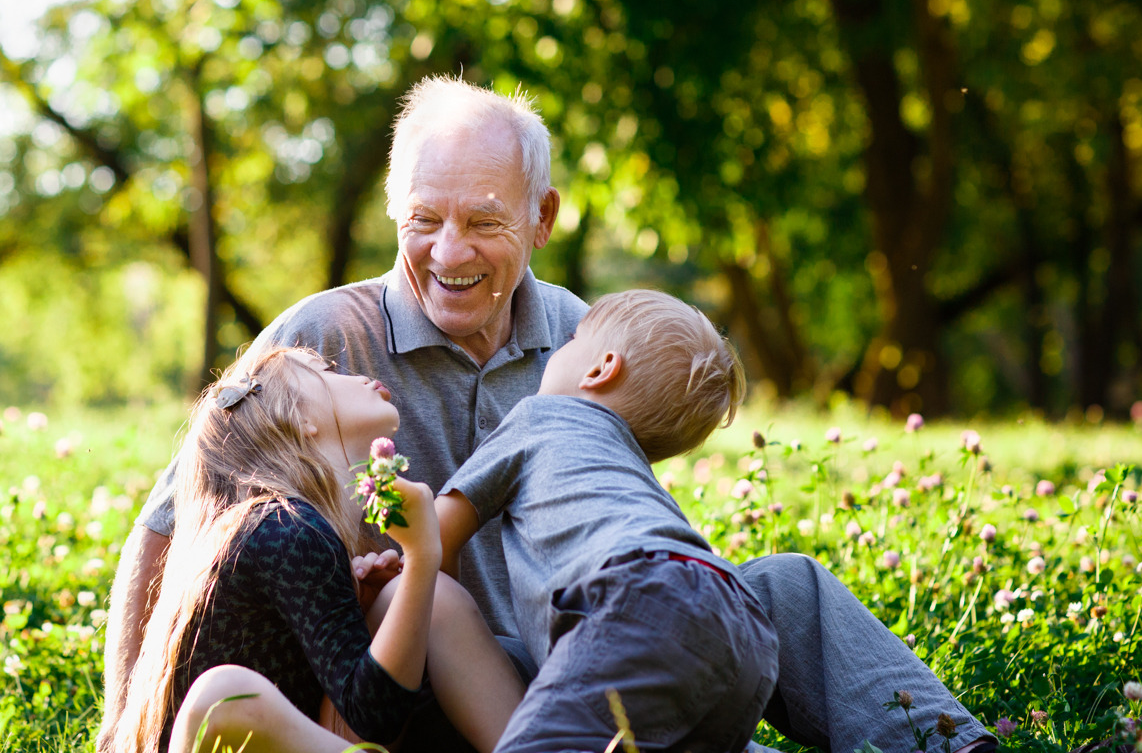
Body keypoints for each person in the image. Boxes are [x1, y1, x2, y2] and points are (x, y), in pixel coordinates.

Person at [100, 75, 997, 753]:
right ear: (391, 212)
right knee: (432, 597)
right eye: (423, 220)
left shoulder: (581, 334)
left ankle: (951, 743)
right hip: (420, 678)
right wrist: (119, 728)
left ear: (542, 217)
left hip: (583, 637)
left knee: (786, 587)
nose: (449, 252)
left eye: (484, 221)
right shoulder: (322, 339)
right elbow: (171, 529)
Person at [109, 346, 525, 753]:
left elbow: (370, 710)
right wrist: (421, 556)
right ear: (299, 417)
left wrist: (376, 605)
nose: (354, 374)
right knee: (224, 696)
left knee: (427, 599)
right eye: (324, 370)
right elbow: (376, 716)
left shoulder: (285, 528)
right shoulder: (286, 528)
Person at [432, 289, 778, 752]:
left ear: (600, 368)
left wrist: (435, 611)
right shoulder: (629, 467)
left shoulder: (541, 416)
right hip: (743, 623)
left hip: (640, 596)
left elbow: (437, 534)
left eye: (572, 340)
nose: (559, 350)